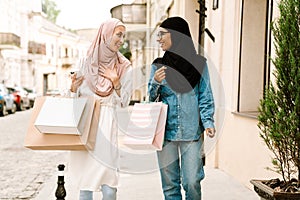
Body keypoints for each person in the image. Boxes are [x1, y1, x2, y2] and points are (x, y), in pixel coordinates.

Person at [148, 16, 215, 200]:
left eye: (162, 34)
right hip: (165, 133)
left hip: (191, 131)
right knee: (170, 187)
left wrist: (208, 121)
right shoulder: (158, 66)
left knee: (192, 181)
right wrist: (155, 83)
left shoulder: (199, 64)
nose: (159, 39)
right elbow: (150, 99)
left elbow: (205, 95)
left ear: (177, 35)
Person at [68, 18, 132, 200]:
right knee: (86, 183)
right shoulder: (86, 62)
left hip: (107, 123)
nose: (121, 40)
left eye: (123, 36)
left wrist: (116, 82)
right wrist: (73, 88)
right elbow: (75, 97)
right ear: (105, 34)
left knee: (109, 184)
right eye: (118, 35)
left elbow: (125, 101)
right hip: (87, 123)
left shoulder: (124, 66)